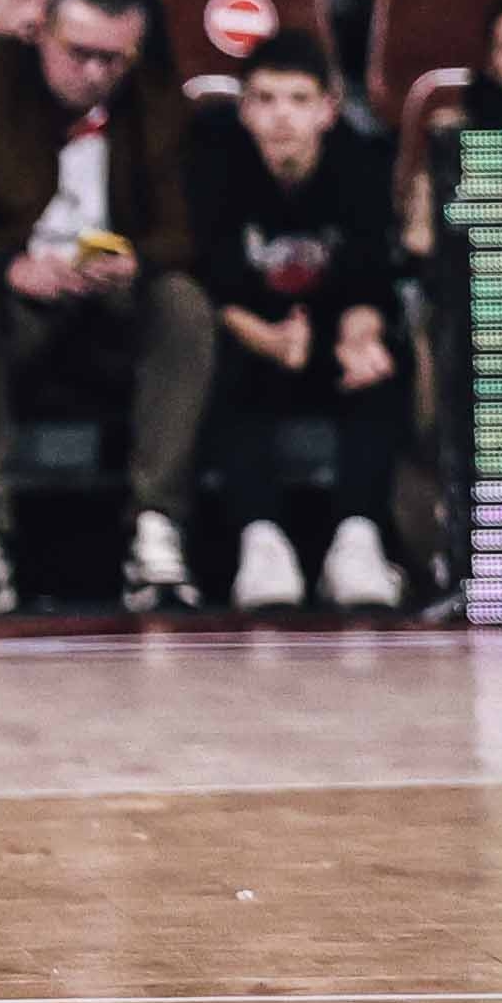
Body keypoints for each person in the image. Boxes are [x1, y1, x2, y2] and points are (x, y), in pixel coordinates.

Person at [0, 0, 217, 612]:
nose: (95, 73)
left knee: (184, 304)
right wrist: (11, 268)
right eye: (79, 54)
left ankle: (157, 524)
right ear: (41, 34)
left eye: (115, 59)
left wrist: (136, 261)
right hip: (17, 302)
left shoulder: (156, 98)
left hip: (115, 302)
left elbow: (185, 230)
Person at [188, 36, 411, 613]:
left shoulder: (360, 161)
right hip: (249, 334)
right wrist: (266, 337)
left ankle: (357, 538)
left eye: (297, 99)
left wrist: (360, 336)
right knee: (220, 365)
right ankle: (261, 541)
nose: (281, 116)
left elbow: (371, 276)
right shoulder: (213, 158)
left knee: (385, 366)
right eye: (264, 99)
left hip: (332, 335)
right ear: (244, 109)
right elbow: (208, 279)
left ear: (327, 109)